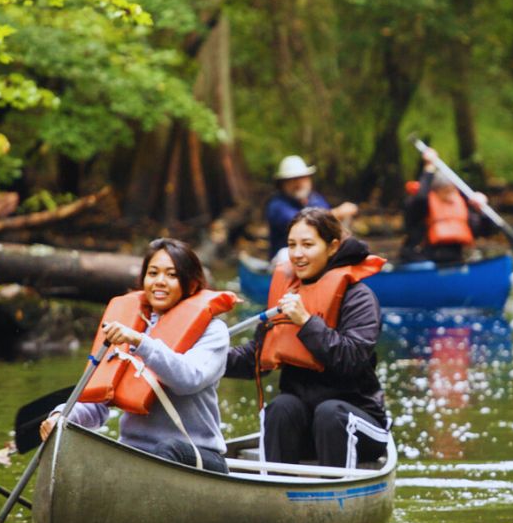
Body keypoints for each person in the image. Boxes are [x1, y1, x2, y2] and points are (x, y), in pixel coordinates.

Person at [39, 238, 234, 473]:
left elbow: (189, 379)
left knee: (168, 450)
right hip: (136, 454)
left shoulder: (214, 331)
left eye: (171, 275)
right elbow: (97, 404)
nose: (160, 282)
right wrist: (62, 416)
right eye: (153, 273)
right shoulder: (127, 325)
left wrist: (140, 342)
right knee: (84, 445)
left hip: (196, 456)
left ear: (191, 285)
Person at [227, 208, 390, 469]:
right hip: (305, 425)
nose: (297, 254)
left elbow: (352, 360)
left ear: (332, 247)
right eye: (292, 245)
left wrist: (306, 322)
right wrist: (204, 358)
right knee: (281, 408)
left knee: (330, 413)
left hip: (357, 423)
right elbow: (254, 358)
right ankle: (276, 498)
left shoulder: (359, 297)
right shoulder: (287, 292)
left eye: (307, 245)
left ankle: (336, 501)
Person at [399, 147, 494, 264]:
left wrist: (482, 211)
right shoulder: (419, 205)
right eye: (446, 191)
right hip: (420, 259)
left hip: (453, 260)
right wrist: (429, 168)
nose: (451, 195)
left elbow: (485, 231)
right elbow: (421, 197)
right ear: (435, 190)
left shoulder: (459, 206)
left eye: (453, 190)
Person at [265, 155, 358, 261]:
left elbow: (328, 225)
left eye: (302, 178)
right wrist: (337, 213)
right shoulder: (277, 206)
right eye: (292, 180)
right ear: (282, 184)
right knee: (284, 255)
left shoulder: (315, 199)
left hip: (314, 258)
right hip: (286, 262)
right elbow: (301, 224)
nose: (298, 183)